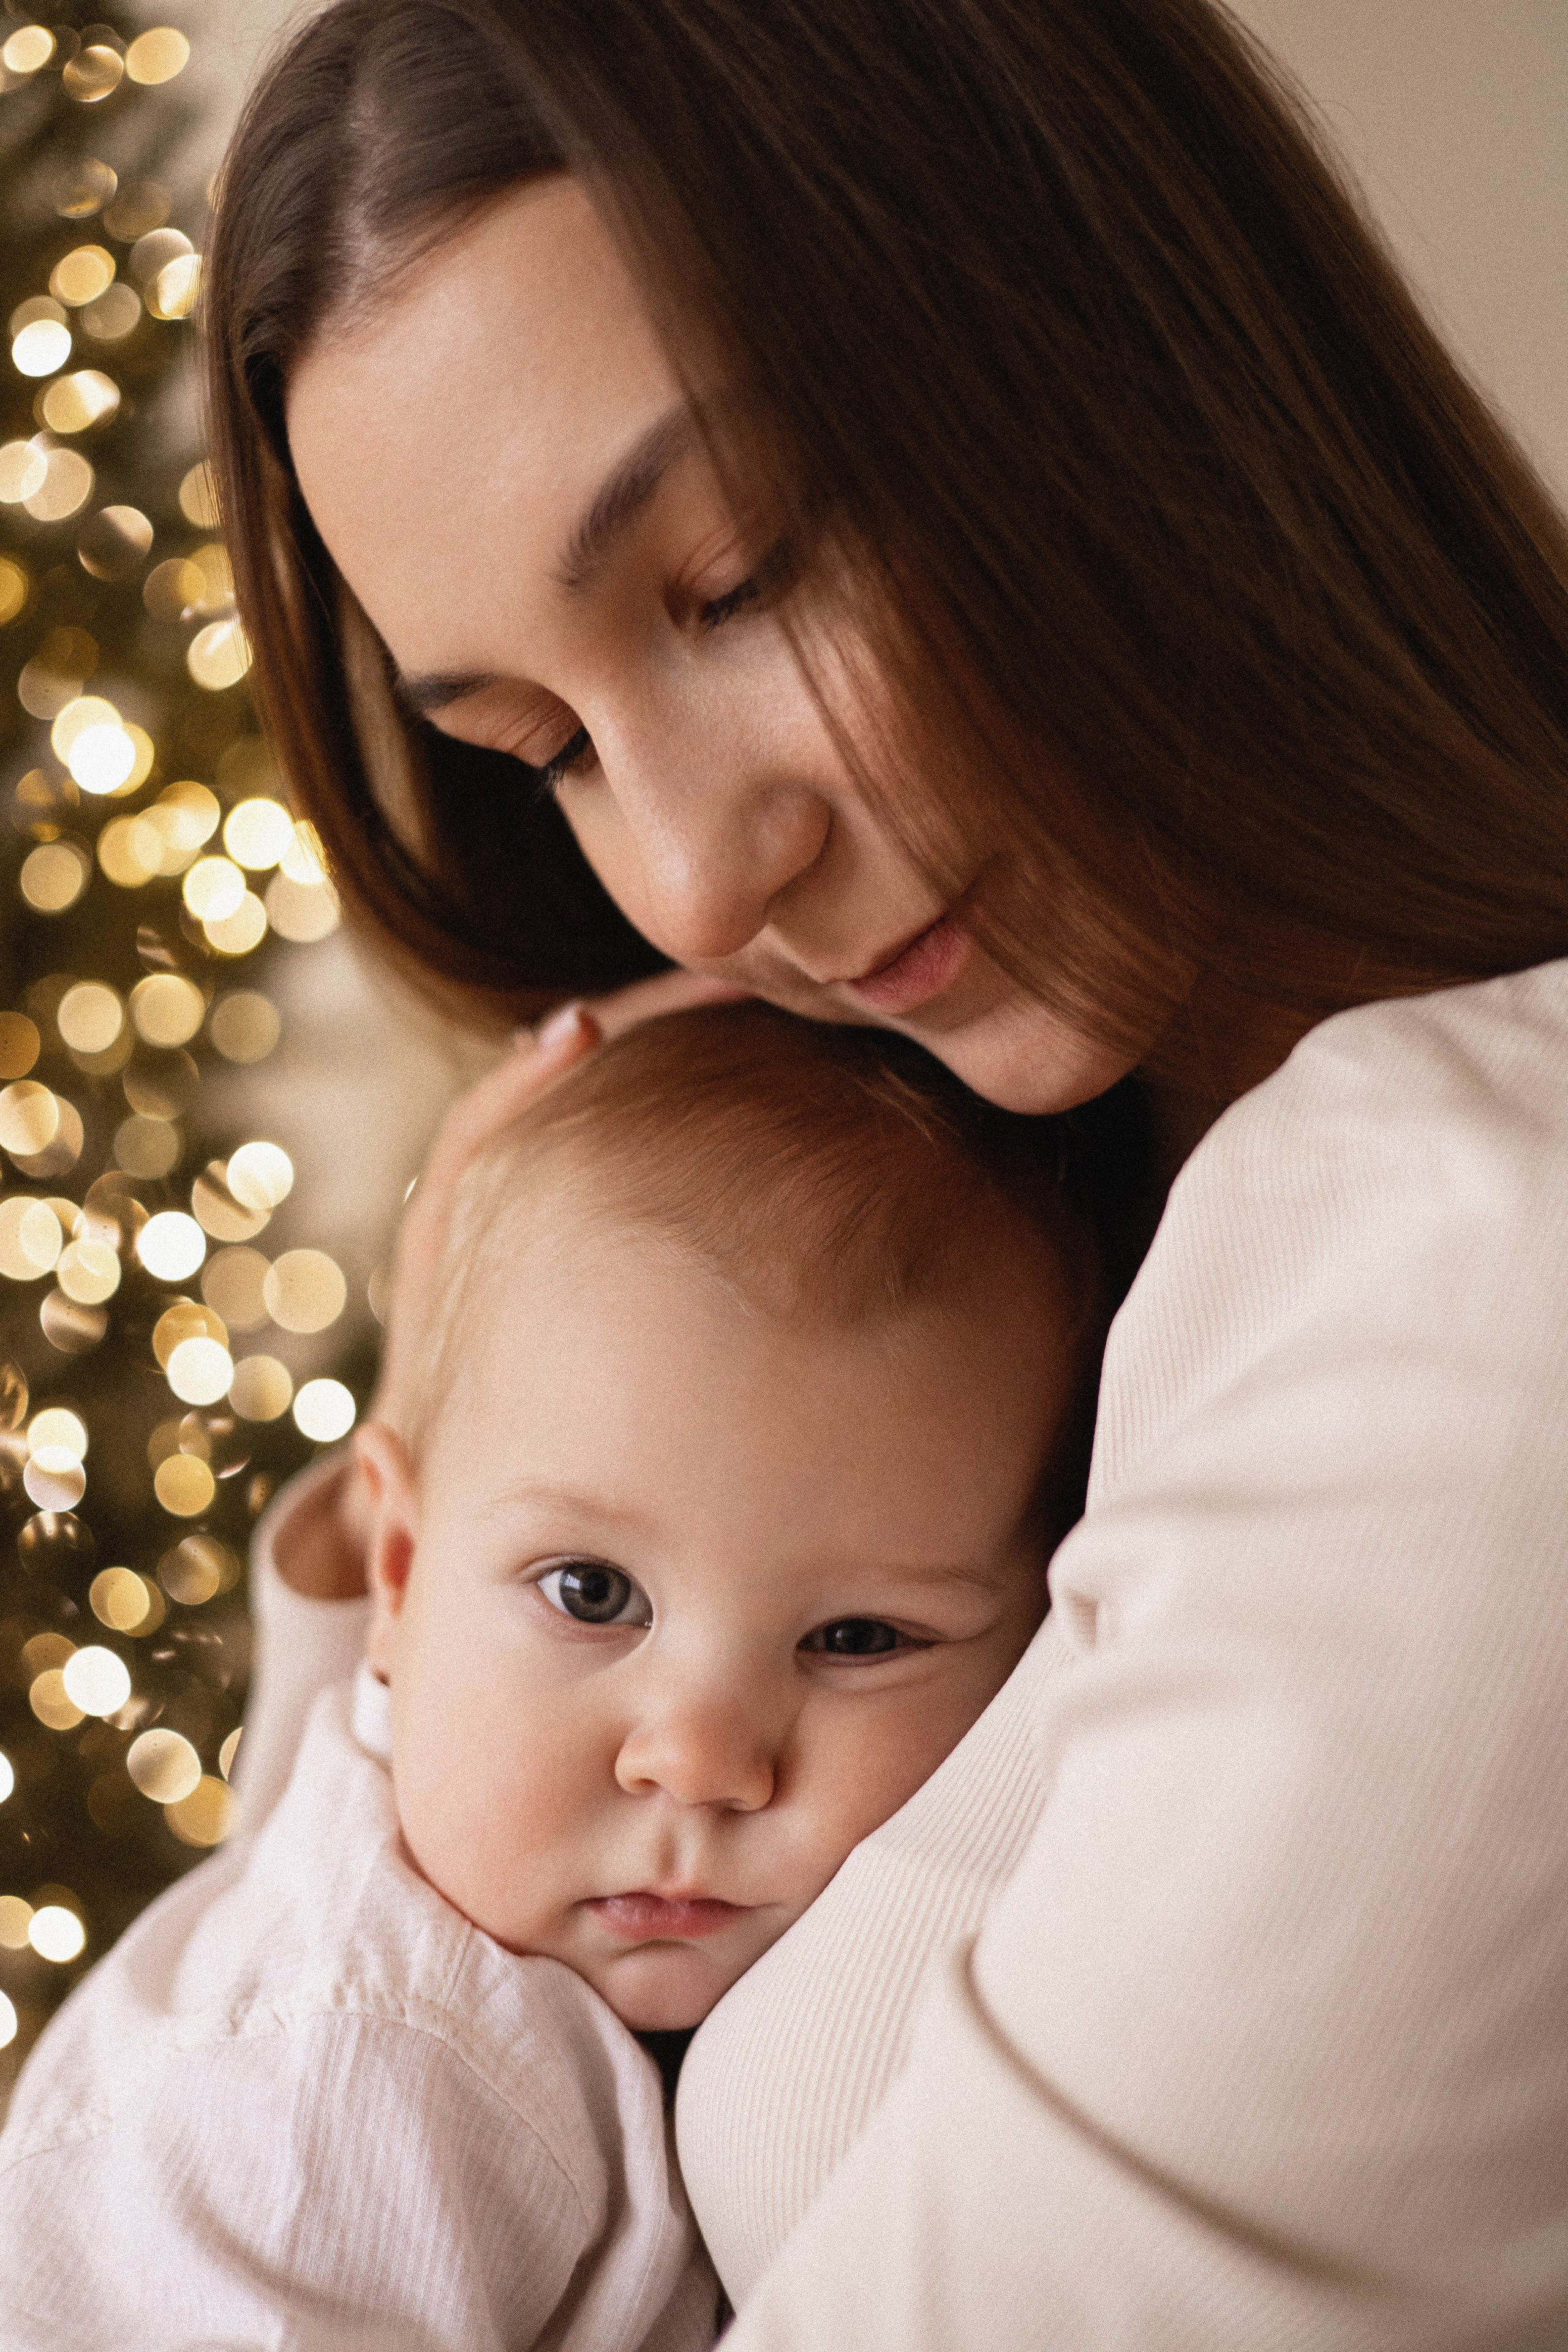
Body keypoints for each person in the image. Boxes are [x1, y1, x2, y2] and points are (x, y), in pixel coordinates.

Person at [203, 0, 1568, 2342]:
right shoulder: (1042, 1239)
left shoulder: (1473, 1259)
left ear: (1123, 333)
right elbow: (285, 2139)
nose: (691, 878)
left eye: (740, 579)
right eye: (544, 747)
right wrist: (466, 1406)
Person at [0, 1006, 1102, 2352]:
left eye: (859, 1640)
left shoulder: (435, 1910)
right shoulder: (365, 2079)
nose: (698, 1761)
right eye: (593, 1594)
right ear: (399, 1571)